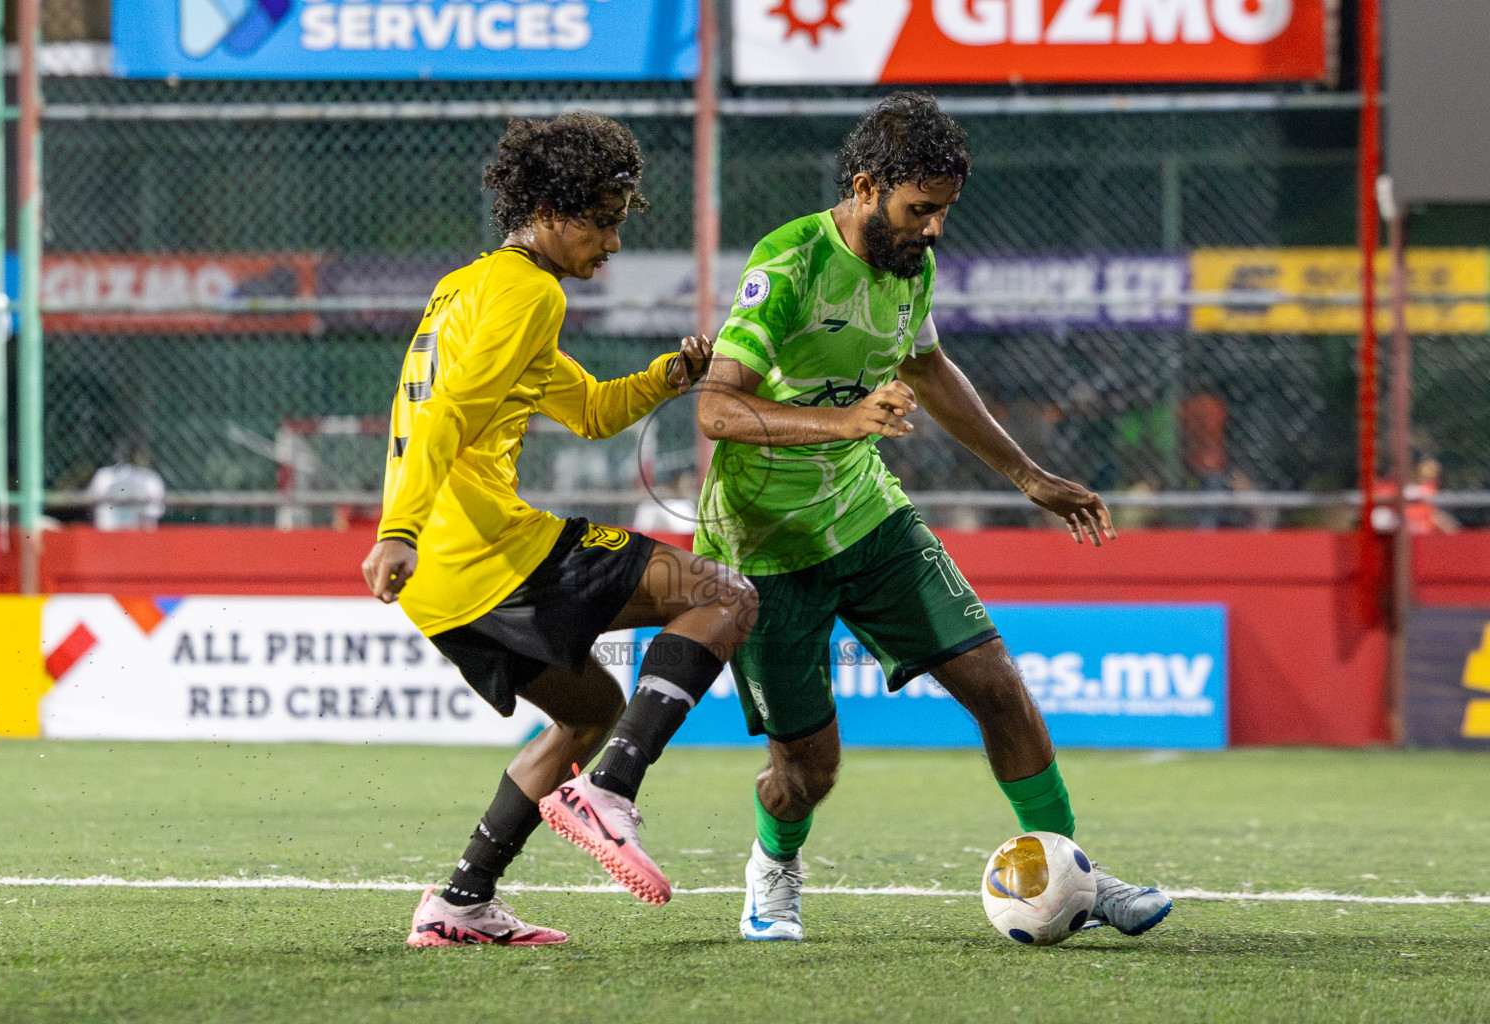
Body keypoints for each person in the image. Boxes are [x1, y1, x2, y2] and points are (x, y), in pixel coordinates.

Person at [694, 92, 1171, 943]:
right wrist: (843, 421)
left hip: (867, 514)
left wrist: (1026, 474)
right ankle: (773, 866)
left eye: (945, 212)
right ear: (868, 185)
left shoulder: (910, 264)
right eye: (921, 210)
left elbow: (929, 366)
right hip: (764, 543)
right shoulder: (790, 263)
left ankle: (1072, 871)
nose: (935, 229)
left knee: (998, 687)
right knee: (808, 773)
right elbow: (717, 410)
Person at [362, 113, 756, 948]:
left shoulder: (471, 286)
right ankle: (610, 793)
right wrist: (396, 527)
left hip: (442, 579)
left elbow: (590, 411)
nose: (612, 241)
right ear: (552, 209)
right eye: (605, 219)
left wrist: (670, 376)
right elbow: (444, 417)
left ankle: (461, 902)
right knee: (723, 594)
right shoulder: (529, 293)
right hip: (482, 548)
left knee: (590, 709)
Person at [85, 444, 166, 531]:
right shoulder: (103, 476)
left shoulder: (151, 479)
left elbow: (152, 514)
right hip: (107, 535)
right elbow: (94, 511)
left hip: (140, 537)